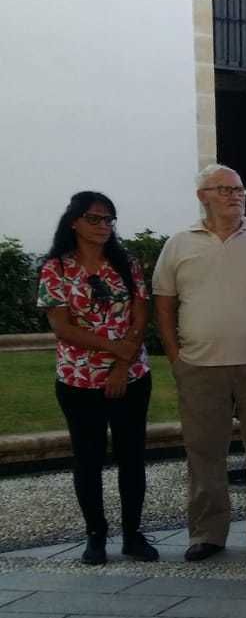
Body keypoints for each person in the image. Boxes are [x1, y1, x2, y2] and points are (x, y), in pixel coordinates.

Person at [153, 164, 246, 561]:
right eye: (224, 189)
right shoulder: (179, 244)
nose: (235, 195)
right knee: (203, 452)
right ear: (203, 196)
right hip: (199, 366)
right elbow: (164, 302)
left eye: (239, 189)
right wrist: (174, 355)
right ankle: (207, 534)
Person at [37, 192, 159, 565]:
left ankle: (133, 534)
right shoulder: (56, 268)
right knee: (88, 459)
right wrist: (115, 348)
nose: (104, 226)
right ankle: (95, 535)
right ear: (74, 221)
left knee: (132, 456)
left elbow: (140, 314)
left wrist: (123, 363)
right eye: (95, 219)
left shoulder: (127, 264)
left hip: (131, 376)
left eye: (109, 220)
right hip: (78, 380)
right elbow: (62, 326)